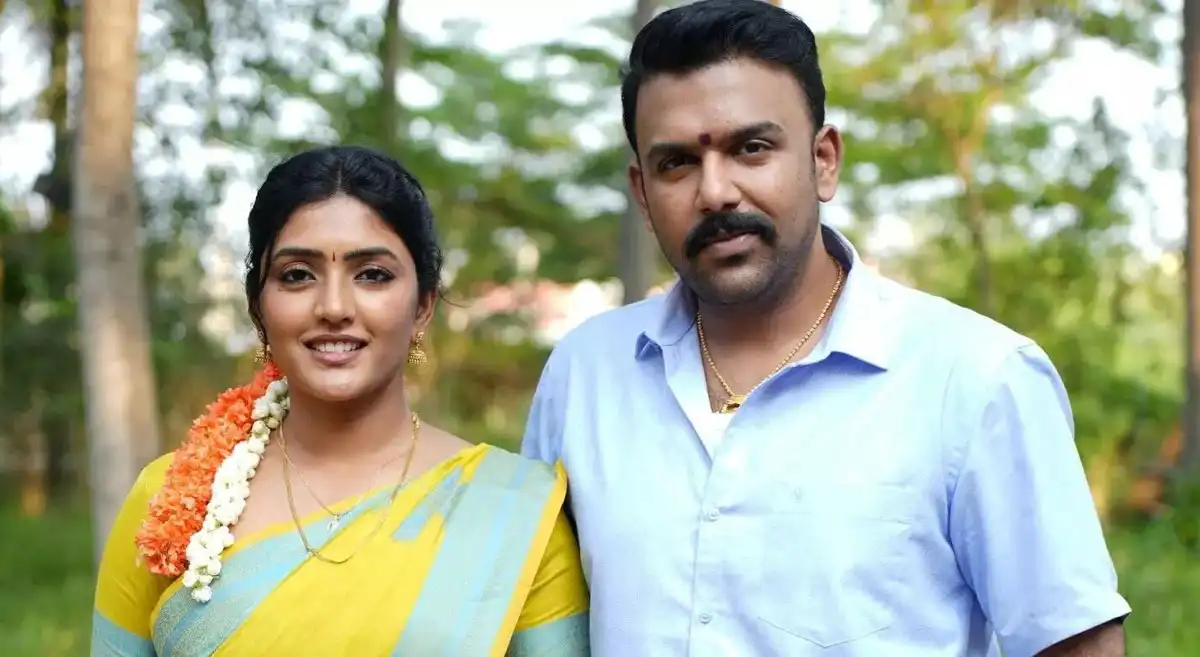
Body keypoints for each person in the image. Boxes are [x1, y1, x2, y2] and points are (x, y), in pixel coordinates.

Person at [521, 1, 1129, 656]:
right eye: (677, 164)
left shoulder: (976, 378)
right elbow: (536, 619)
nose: (716, 191)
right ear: (643, 194)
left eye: (751, 148)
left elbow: (1077, 644)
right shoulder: (585, 374)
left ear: (824, 160)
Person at [92, 146, 590, 656]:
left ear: (423, 305)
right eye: (297, 275)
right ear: (258, 307)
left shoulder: (512, 512)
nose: (333, 307)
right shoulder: (167, 502)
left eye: (372, 274)